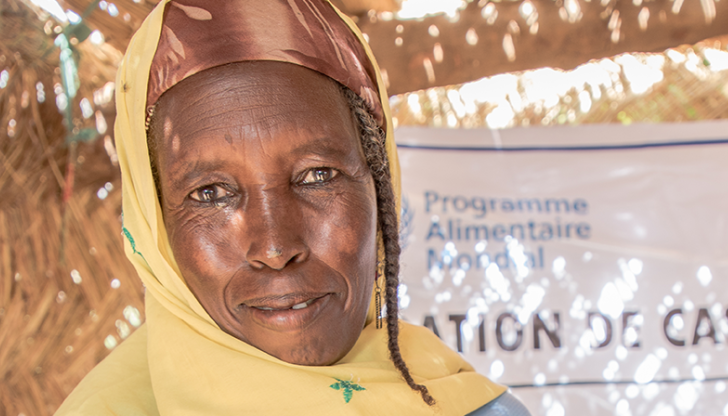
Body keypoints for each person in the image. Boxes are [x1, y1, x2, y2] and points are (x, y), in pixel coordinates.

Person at [55, 1, 529, 414]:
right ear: (155, 223)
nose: (276, 248)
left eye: (317, 176)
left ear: (380, 187)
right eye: (211, 193)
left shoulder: (471, 409)